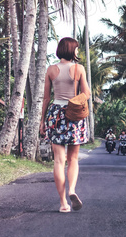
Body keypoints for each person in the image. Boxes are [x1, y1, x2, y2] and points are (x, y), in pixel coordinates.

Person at [39, 37, 91, 213]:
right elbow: (87, 93)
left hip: (55, 114)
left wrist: (42, 121)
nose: (77, 52)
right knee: (73, 159)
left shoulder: (51, 70)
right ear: (71, 50)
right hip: (73, 114)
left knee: (59, 161)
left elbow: (46, 98)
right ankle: (72, 190)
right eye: (76, 49)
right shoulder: (79, 69)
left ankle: (63, 203)